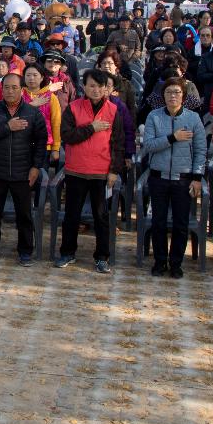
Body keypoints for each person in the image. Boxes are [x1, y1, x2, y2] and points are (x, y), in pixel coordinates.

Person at [55, 69, 124, 273]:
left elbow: (118, 143)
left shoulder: (113, 110)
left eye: (100, 86)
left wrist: (114, 170)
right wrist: (91, 128)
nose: (96, 90)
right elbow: (67, 135)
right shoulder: (74, 108)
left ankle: (102, 256)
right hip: (76, 170)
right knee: (72, 215)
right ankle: (67, 252)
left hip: (101, 172)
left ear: (106, 89)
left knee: (101, 216)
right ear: (84, 86)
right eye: (91, 85)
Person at [0, 72, 46, 265]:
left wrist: (36, 167)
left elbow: (41, 141)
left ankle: (25, 251)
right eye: (6, 87)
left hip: (22, 171)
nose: (10, 91)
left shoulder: (32, 113)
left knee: (24, 214)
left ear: (21, 89)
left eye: (14, 87)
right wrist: (7, 126)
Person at [141, 78, 206, 278]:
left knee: (180, 224)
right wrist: (172, 138)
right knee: (158, 222)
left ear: (184, 96)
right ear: (163, 95)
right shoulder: (154, 116)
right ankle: (160, 261)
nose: (173, 96)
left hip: (183, 179)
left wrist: (197, 177)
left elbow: (200, 150)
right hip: (158, 177)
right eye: (169, 92)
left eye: (177, 92)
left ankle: (176, 263)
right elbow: (149, 145)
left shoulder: (193, 118)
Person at [21, 64, 62, 165]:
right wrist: (32, 105)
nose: (31, 78)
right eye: (28, 75)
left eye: (35, 75)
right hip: (21, 145)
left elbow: (56, 123)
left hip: (44, 146)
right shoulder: (19, 95)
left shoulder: (51, 98)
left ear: (42, 77)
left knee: (41, 177)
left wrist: (55, 148)